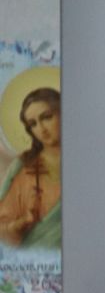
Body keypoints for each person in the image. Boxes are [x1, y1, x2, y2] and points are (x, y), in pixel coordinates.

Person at [0, 87, 61, 249]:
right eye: (33, 124)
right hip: (35, 257)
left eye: (47, 117)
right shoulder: (24, 166)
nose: (41, 129)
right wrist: (19, 224)